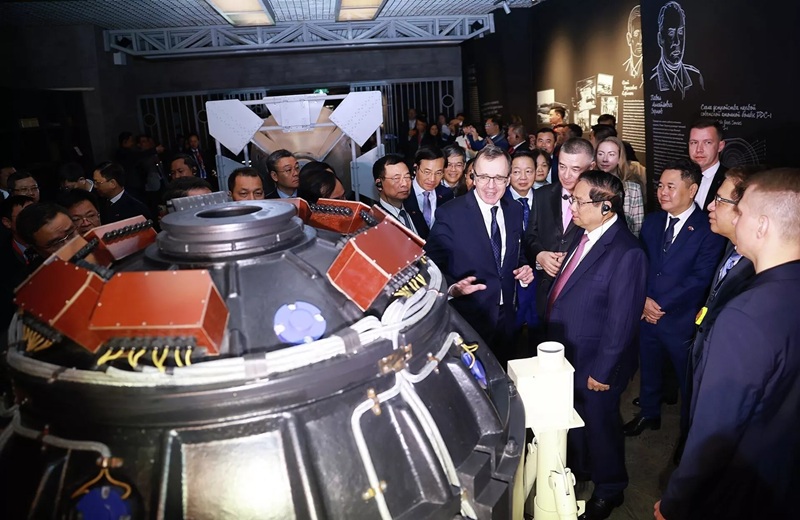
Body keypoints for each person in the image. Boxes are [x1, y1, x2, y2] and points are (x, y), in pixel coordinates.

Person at [655, 168, 800, 520]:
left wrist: (675, 502)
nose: (734, 217)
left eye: (741, 211)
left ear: (762, 226)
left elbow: (714, 433)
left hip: (738, 489)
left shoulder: (744, 316)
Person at [546, 170, 647, 520]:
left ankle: (611, 488)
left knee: (602, 426)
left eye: (578, 201)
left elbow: (622, 322)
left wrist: (603, 371)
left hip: (597, 363)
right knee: (577, 421)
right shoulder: (584, 233)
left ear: (606, 207)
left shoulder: (627, 252)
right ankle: (584, 469)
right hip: (569, 353)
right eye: (571, 199)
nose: (571, 206)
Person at [624, 158, 725, 437]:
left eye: (671, 186)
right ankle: (649, 414)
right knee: (649, 367)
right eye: (660, 186)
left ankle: (688, 433)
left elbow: (701, 278)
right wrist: (643, 300)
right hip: (646, 313)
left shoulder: (708, 228)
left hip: (681, 320)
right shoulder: (653, 222)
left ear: (692, 190)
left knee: (687, 380)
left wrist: (661, 305)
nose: (662, 192)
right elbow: (640, 265)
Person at [425, 146, 534, 367]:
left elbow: (517, 252)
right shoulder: (450, 214)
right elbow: (429, 266)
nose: (491, 186)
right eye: (484, 177)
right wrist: (452, 288)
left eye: (499, 178)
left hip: (507, 319)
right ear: (473, 176)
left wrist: (524, 268)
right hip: (467, 321)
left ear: (508, 179)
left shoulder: (514, 210)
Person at [525, 138, 594, 326]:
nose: (566, 175)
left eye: (575, 169)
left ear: (591, 167)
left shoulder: (601, 202)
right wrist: (540, 255)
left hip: (582, 293)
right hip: (544, 290)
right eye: (562, 166)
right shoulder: (542, 195)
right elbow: (530, 235)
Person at [504, 150, 538, 331]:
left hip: (541, 276)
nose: (523, 177)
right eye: (516, 172)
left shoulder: (545, 199)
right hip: (512, 275)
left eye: (528, 171)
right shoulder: (499, 201)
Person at [650, 1, 704, 99]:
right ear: (660, 39)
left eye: (680, 32)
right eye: (671, 33)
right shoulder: (652, 81)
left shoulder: (695, 77)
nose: (677, 41)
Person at [595, 137, 644, 236]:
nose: (605, 159)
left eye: (611, 154)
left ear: (619, 158)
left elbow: (637, 226)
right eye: (600, 154)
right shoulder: (587, 185)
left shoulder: (632, 189)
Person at [402, 147, 454, 240]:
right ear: (415, 168)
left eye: (438, 173)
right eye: (427, 172)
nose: (432, 179)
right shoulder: (403, 195)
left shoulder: (447, 195)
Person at [688, 118, 726, 211]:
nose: (699, 149)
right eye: (694, 142)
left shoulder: (730, 181)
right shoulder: (682, 176)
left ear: (720, 146)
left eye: (707, 142)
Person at [373, 154, 416, 234]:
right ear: (379, 184)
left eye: (407, 177)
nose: (404, 184)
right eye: (396, 178)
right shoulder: (375, 220)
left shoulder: (415, 209)